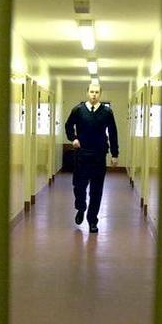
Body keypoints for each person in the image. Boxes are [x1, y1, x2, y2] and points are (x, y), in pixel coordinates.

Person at [64, 83, 119, 233]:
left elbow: (113, 133)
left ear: (100, 94)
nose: (94, 94)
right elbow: (68, 125)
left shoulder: (107, 112)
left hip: (99, 156)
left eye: (96, 92)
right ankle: (81, 208)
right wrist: (73, 138)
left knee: (96, 190)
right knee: (79, 187)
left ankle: (92, 220)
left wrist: (115, 154)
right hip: (81, 155)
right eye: (91, 92)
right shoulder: (78, 110)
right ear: (87, 92)